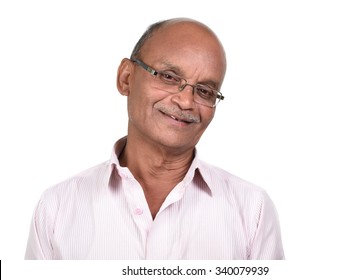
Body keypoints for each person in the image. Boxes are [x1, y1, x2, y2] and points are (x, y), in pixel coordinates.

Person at [25, 18, 284, 260]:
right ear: (126, 78)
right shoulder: (57, 208)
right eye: (169, 77)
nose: (185, 101)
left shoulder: (252, 211)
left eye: (205, 91)